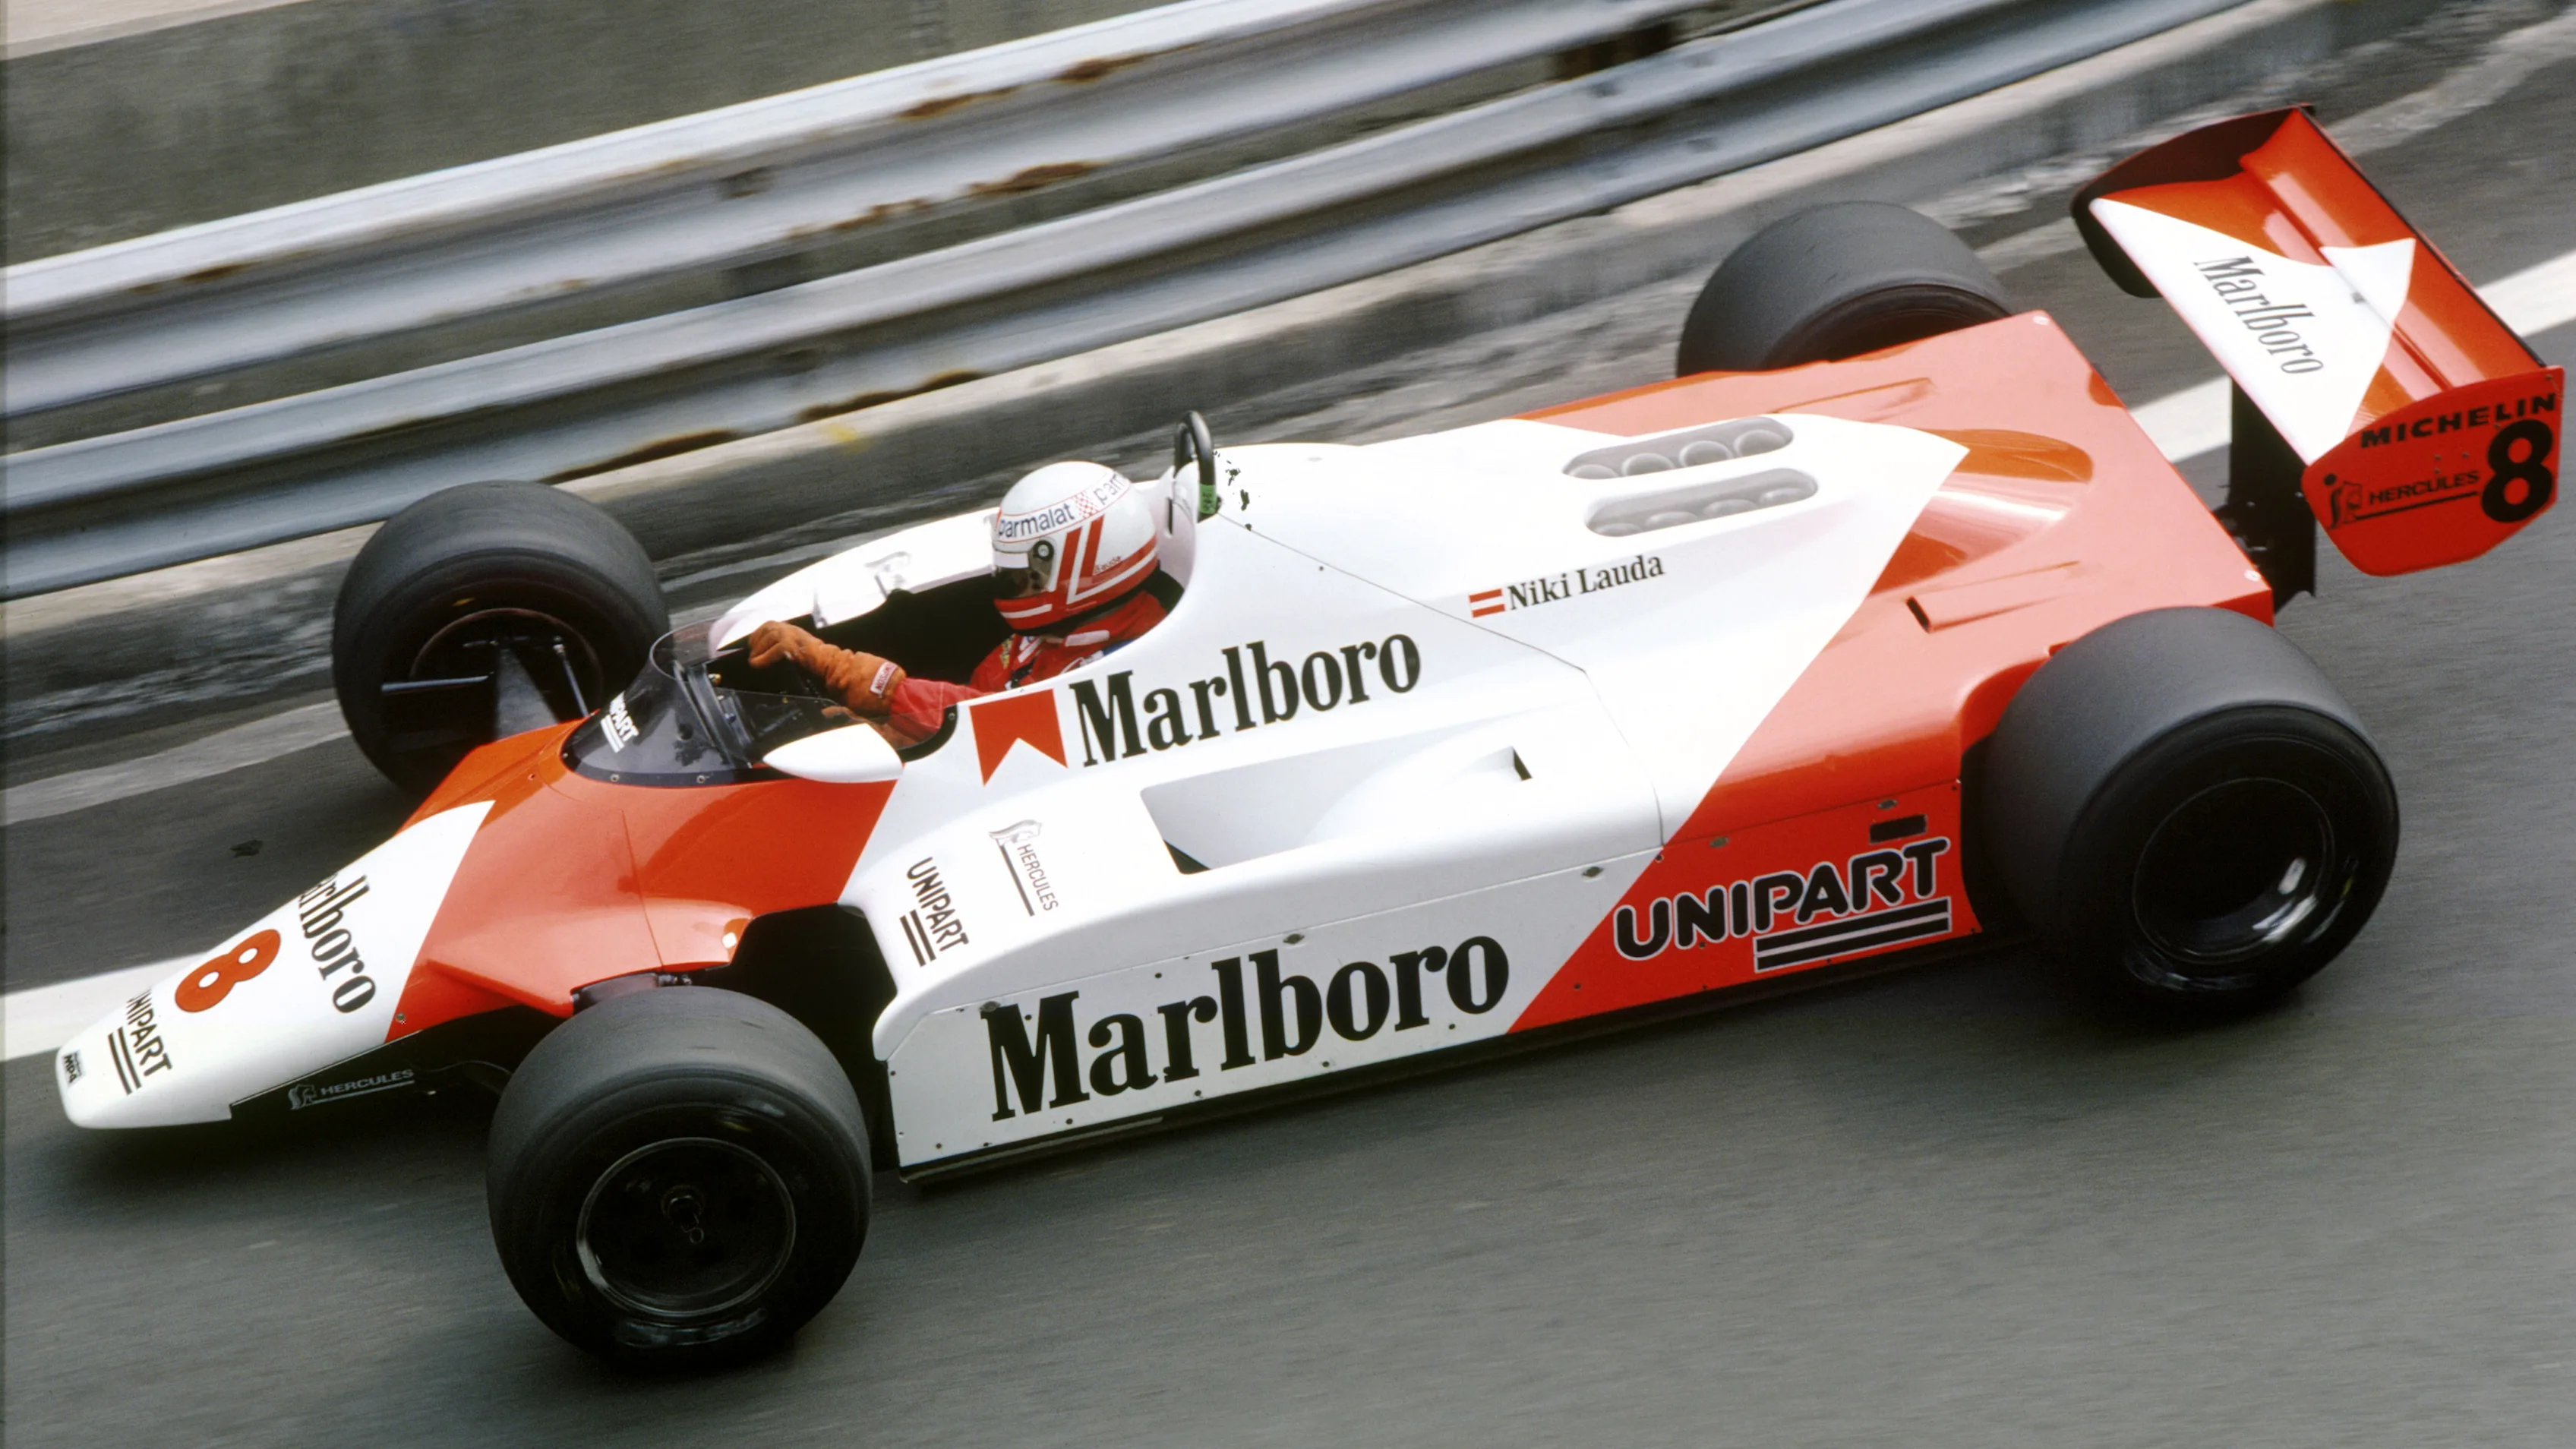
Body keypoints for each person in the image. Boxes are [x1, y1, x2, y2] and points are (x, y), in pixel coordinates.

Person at [745, 460, 1171, 743]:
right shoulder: (1060, 633)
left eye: (1024, 577)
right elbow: (976, 704)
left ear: (1087, 570)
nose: (1011, 586)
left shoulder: (1125, 666)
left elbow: (1002, 730)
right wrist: (886, 734)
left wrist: (851, 673)